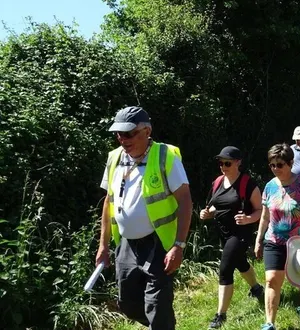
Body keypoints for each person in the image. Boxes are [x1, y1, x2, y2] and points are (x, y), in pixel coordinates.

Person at [97, 106, 192, 330]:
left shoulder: (164, 156)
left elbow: (185, 201)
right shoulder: (114, 159)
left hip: (158, 244)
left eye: (129, 133)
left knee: (157, 306)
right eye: (118, 134)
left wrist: (178, 245)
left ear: (147, 131)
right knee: (127, 304)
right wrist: (103, 244)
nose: (122, 139)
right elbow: (108, 203)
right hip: (126, 245)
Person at [255, 143, 300, 330]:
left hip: (297, 242)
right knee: (271, 280)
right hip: (273, 240)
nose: (276, 169)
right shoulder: (269, 186)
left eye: (280, 165)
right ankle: (269, 323)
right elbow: (265, 216)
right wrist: (259, 239)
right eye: (272, 165)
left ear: (290, 163)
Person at [199, 146, 264, 329]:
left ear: (238, 163)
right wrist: (208, 214)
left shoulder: (248, 184)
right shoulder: (218, 182)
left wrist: (248, 219)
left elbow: (260, 210)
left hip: (240, 234)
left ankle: (221, 315)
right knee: (240, 262)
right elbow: (216, 206)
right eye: (221, 163)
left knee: (225, 269)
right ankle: (257, 288)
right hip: (224, 233)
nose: (223, 166)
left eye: (227, 163)